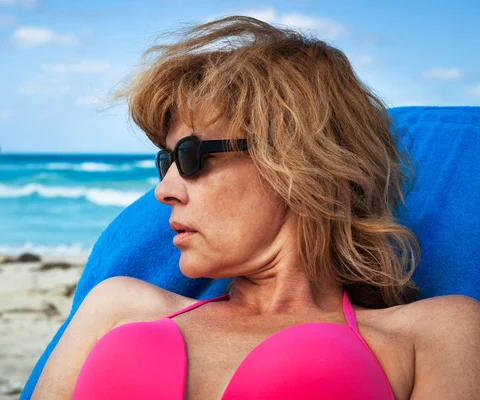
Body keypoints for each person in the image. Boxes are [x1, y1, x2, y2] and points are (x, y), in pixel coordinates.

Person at [32, 17, 480, 399]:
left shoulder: (435, 333)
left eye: (190, 156)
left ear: (295, 160)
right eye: (164, 162)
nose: (163, 190)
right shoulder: (116, 304)